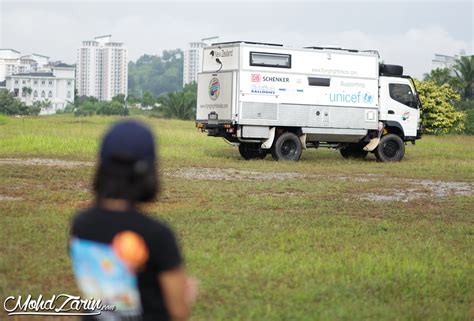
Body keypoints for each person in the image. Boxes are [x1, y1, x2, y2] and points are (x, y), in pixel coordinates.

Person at [69, 120, 197, 321]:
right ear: (148, 172)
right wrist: (186, 295)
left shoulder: (80, 224)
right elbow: (178, 312)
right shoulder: (157, 234)